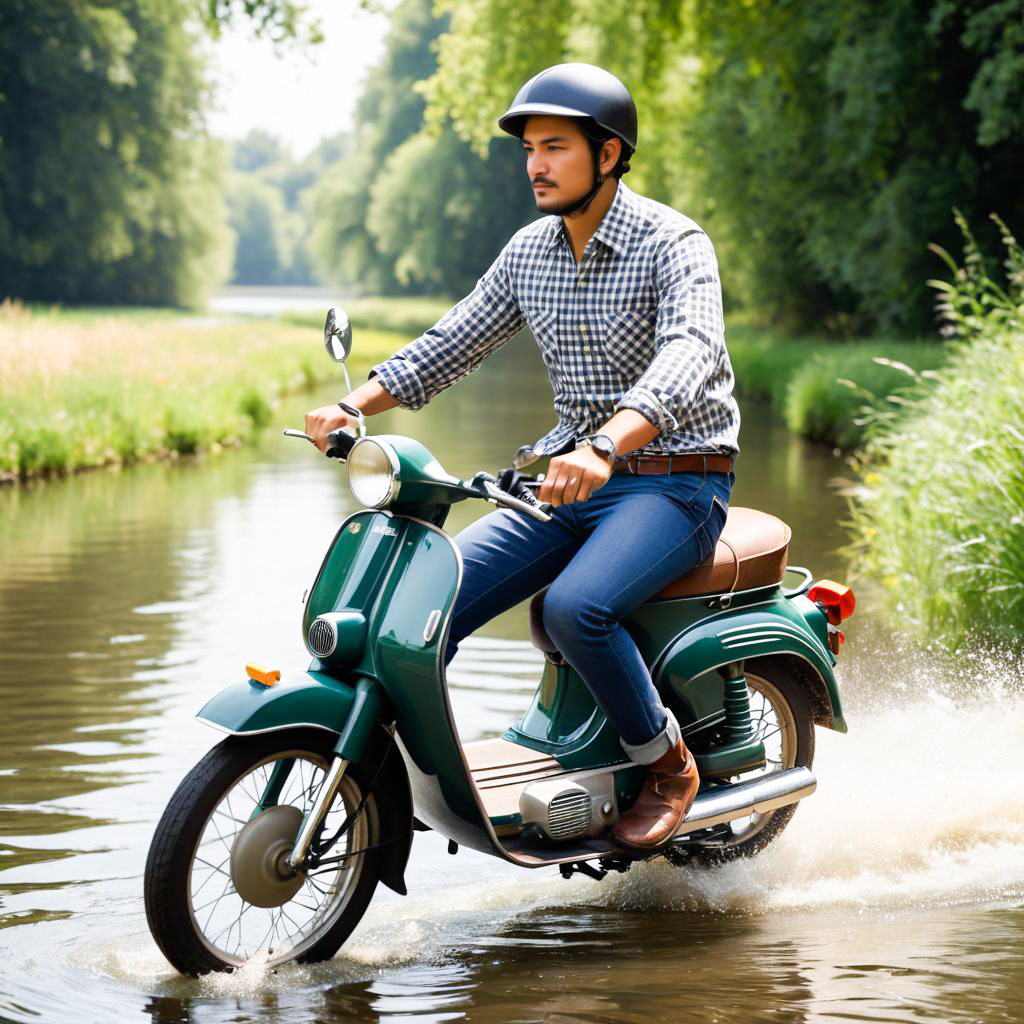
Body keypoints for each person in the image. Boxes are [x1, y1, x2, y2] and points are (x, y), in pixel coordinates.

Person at [306, 63, 740, 851]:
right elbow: (455, 340)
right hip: (567, 479)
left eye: (555, 147)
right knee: (420, 606)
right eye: (529, 150)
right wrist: (351, 404)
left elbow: (687, 354)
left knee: (576, 609)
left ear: (608, 155)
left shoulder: (674, 242)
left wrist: (609, 443)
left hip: (677, 480)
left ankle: (667, 762)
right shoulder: (531, 251)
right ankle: (404, 771)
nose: (535, 165)